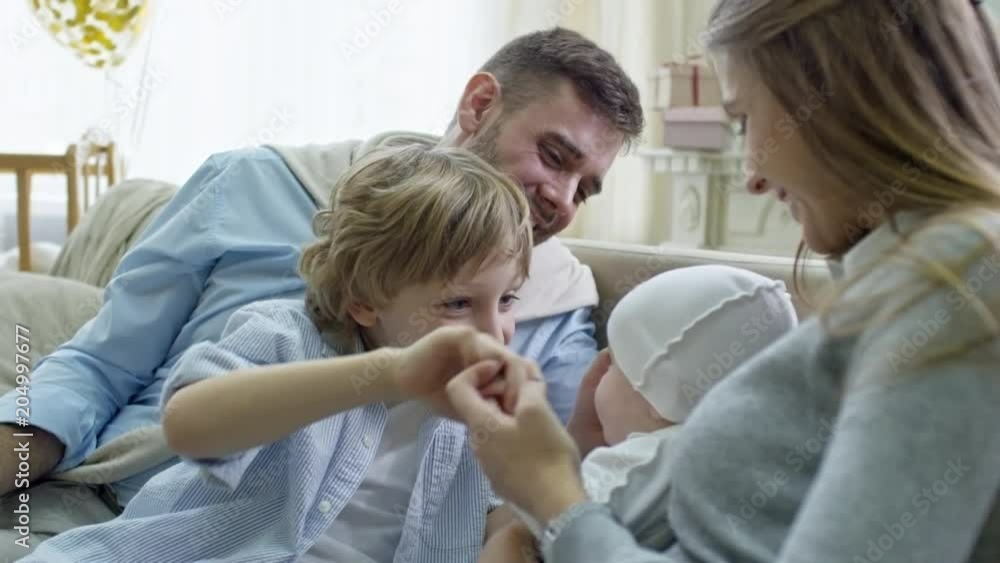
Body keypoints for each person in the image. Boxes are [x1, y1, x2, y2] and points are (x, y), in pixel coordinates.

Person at [0, 27, 643, 557]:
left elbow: (530, 495)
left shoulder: (555, 307)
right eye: (556, 156)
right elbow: (103, 365)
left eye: (585, 189)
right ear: (479, 105)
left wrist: (584, 440)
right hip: (133, 510)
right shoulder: (253, 189)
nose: (561, 199)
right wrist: (23, 443)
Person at [446, 2, 1000, 562]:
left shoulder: (958, 275)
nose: (753, 175)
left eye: (744, 120)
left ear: (838, 102)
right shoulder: (903, 280)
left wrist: (552, 499)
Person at [20, 145, 543, 563]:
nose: (493, 331)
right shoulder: (284, 336)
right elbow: (189, 426)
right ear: (364, 300)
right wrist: (389, 375)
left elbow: (505, 524)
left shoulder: (486, 411)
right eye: (457, 303)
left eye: (507, 299)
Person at [478, 265, 798, 561]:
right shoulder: (761, 458)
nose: (599, 373)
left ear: (659, 398)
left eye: (614, 364)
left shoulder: (636, 464)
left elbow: (530, 517)